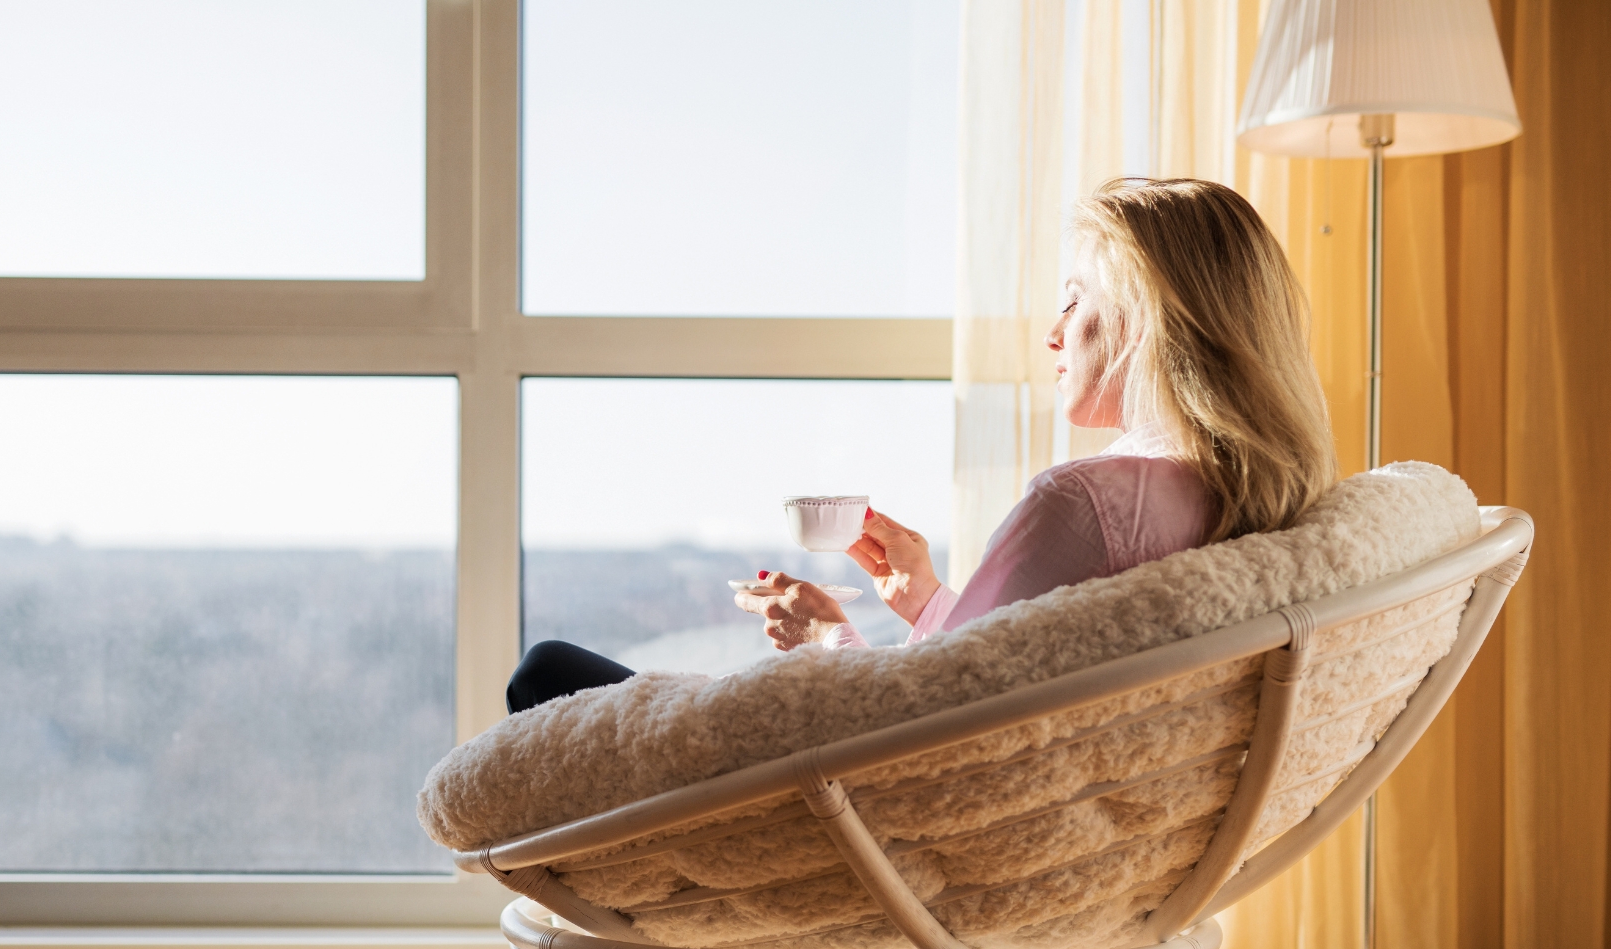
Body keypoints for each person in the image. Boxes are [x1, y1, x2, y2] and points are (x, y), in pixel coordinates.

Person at [506, 177, 1336, 714]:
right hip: (1015, 831)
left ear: (1146, 319)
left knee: (545, 673)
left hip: (865, 831)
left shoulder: (1086, 503)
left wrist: (826, 635)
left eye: (1075, 300)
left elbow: (916, 727)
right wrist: (926, 603)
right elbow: (988, 681)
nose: (1052, 333)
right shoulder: (1236, 502)